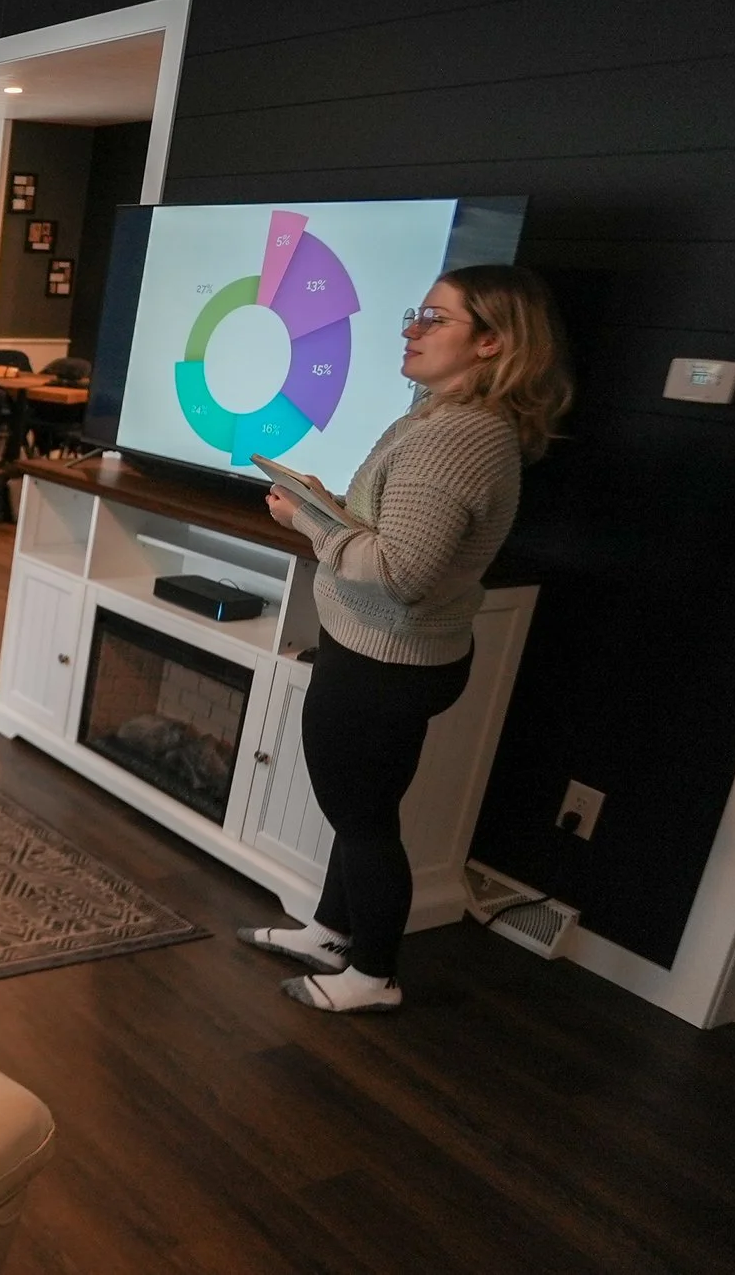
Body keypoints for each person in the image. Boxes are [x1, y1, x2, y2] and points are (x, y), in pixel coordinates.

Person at [242, 265, 573, 1013]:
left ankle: (373, 976)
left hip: (381, 663)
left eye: (435, 318)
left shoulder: (455, 438)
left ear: (492, 342)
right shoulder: (443, 418)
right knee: (361, 810)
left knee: (363, 822)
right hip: (388, 654)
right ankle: (331, 932)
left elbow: (399, 574)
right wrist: (328, 506)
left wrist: (308, 519)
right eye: (413, 314)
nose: (411, 330)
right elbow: (393, 534)